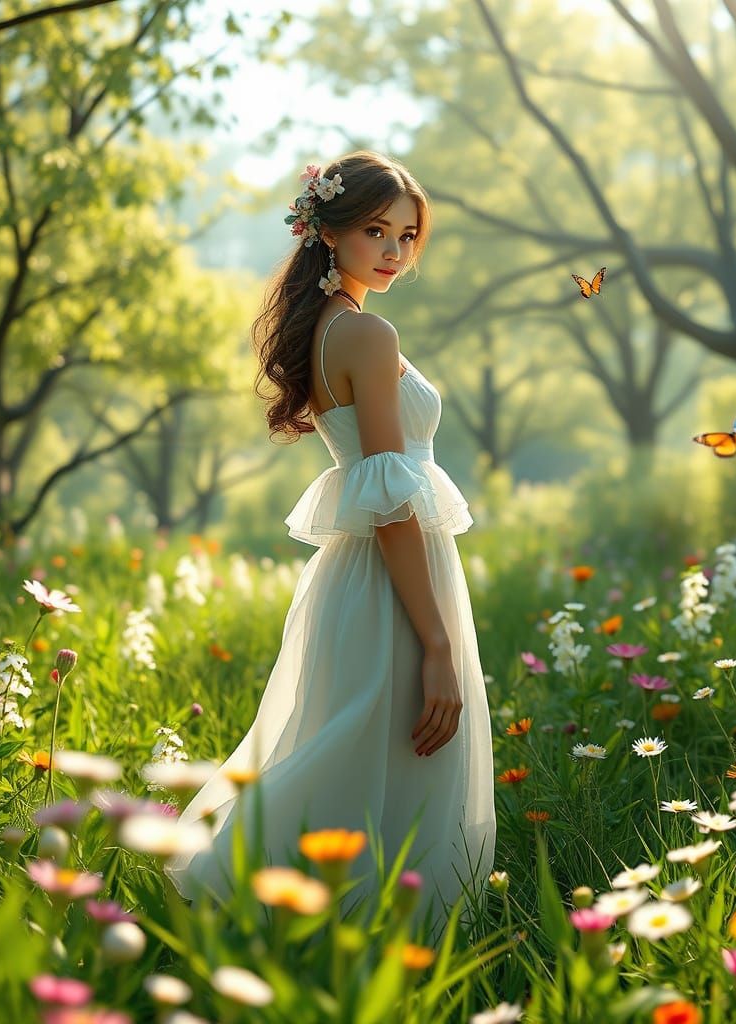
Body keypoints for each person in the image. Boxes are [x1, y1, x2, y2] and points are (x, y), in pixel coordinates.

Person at [165, 150, 496, 932]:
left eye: (408, 236)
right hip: (392, 576)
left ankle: (334, 929)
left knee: (357, 751)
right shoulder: (365, 334)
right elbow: (387, 505)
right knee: (374, 749)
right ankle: (293, 908)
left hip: (363, 576)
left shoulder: (331, 328)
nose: (394, 251)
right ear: (328, 232)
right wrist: (438, 642)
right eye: (376, 231)